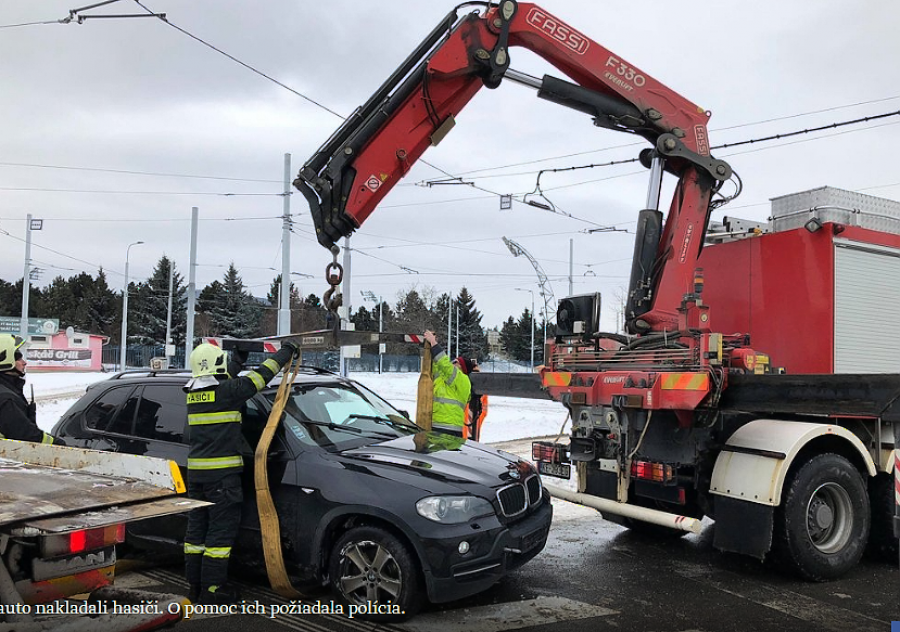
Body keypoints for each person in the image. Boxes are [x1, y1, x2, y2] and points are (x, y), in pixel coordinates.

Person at [182, 340, 298, 605]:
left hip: (197, 477)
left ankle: (195, 586)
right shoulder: (227, 393)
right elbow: (260, 378)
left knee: (196, 533)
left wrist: (237, 362)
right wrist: (285, 353)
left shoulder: (193, 394)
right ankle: (213, 590)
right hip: (222, 479)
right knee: (219, 536)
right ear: (216, 366)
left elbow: (223, 384)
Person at [0, 334, 66, 446]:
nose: (24, 362)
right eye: (19, 358)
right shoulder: (6, 398)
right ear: (4, 359)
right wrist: (57, 444)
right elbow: (26, 435)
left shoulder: (7, 389)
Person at [422, 330, 471, 437]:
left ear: (463, 368)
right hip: (437, 425)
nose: (453, 362)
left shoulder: (462, 379)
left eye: (456, 362)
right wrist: (431, 344)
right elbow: (437, 365)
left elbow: (443, 363)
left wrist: (434, 343)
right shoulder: (446, 378)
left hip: (449, 428)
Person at [463, 358, 489, 442]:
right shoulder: (481, 389)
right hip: (468, 429)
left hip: (470, 428)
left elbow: (483, 411)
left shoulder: (481, 391)